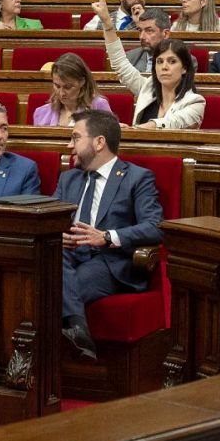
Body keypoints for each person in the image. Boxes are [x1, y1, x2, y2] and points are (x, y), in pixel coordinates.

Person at [56, 109, 164, 360]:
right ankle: (79, 332)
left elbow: (155, 226)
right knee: (50, 263)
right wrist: (56, 235)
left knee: (49, 289)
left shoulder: (136, 178)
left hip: (110, 261)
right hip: (68, 254)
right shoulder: (68, 179)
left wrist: (106, 237)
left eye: (75, 137)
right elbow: (52, 219)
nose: (69, 145)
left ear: (99, 142)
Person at [93, 0, 204, 129]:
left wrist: (133, 130)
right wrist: (107, 23)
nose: (164, 67)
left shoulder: (195, 102)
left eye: (172, 61)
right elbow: (120, 64)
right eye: (159, 62)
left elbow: (171, 123)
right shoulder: (147, 89)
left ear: (184, 68)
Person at [33, 53, 112, 126]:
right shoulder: (41, 113)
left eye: (67, 87)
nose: (61, 93)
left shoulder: (98, 106)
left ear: (82, 82)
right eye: (57, 86)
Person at [125, 8, 172, 73]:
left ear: (165, 34)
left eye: (149, 31)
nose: (141, 37)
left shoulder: (182, 59)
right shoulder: (129, 58)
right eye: (140, 30)